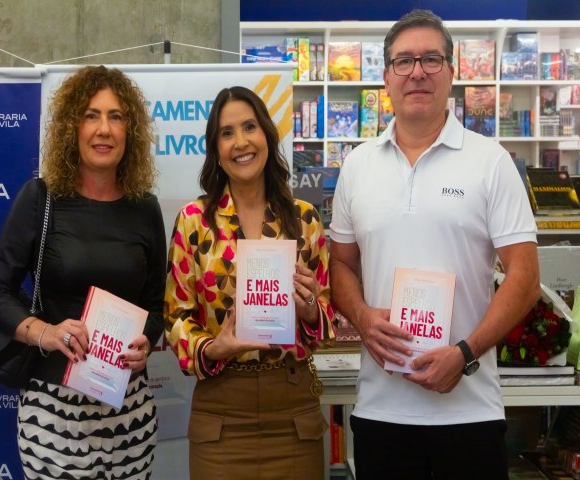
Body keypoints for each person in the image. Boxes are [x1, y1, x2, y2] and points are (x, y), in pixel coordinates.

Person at [329, 9, 540, 480]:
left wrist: (464, 354)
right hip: (382, 411)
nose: (418, 71)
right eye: (404, 61)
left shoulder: (491, 162)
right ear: (386, 78)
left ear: (452, 72)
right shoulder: (358, 166)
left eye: (431, 59)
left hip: (469, 413)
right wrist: (363, 318)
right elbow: (339, 266)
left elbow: (525, 279)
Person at [0, 65, 166, 480]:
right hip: (53, 414)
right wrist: (44, 332)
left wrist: (147, 340)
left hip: (128, 412)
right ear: (72, 127)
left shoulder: (145, 207)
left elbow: (156, 304)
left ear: (129, 130)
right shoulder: (41, 198)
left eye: (115, 116)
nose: (104, 129)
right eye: (91, 115)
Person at [164, 86, 336, 480]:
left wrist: (310, 309)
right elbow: (175, 316)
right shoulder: (194, 221)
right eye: (227, 133)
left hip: (292, 408)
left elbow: (326, 318)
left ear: (267, 136)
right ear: (215, 148)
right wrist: (212, 346)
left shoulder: (304, 219)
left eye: (249, 127)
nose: (240, 142)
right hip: (222, 410)